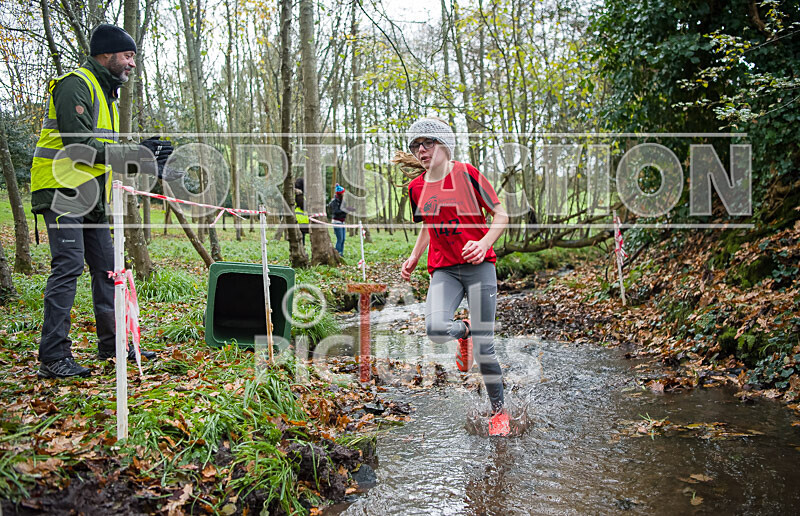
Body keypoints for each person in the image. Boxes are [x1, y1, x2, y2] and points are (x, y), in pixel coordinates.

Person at [31, 24, 177, 379]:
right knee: (68, 267)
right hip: (62, 191)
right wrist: (136, 154)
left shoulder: (106, 93)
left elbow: (103, 152)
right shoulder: (75, 84)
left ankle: (113, 346)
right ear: (106, 54)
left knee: (109, 271)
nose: (132, 64)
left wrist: (143, 155)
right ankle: (53, 356)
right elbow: (79, 146)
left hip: (92, 196)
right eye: (128, 56)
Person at [398, 117, 511, 436]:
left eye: (427, 142)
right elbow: (427, 225)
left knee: (484, 350)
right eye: (415, 145)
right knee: (435, 328)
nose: (420, 150)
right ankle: (465, 331)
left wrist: (484, 242)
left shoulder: (469, 174)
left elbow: (501, 215)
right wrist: (414, 256)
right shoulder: (416, 187)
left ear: (445, 145)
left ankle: (499, 414)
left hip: (479, 267)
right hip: (444, 270)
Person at [328, 184, 348, 256]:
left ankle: (341, 254)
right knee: (339, 239)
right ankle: (338, 254)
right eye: (343, 193)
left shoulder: (343, 201)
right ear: (340, 194)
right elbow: (335, 212)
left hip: (342, 222)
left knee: (343, 239)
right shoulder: (334, 202)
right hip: (337, 222)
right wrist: (344, 210)